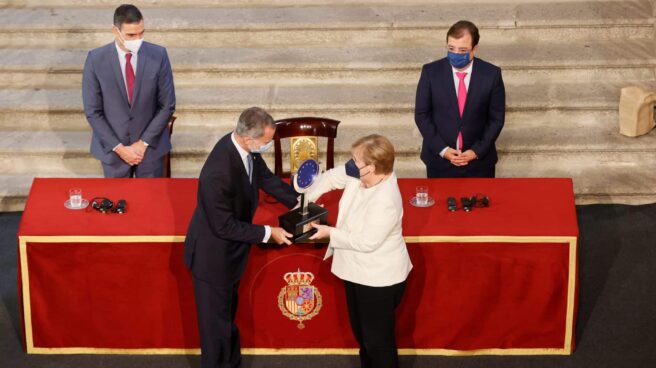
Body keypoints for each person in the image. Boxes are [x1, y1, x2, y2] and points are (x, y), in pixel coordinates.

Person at [184, 107, 298, 368]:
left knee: (226, 321)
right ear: (250, 139)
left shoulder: (243, 149)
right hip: (212, 259)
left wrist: (300, 204)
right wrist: (269, 233)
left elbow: (266, 179)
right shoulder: (218, 172)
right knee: (215, 332)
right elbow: (224, 227)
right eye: (267, 142)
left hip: (230, 255)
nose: (269, 146)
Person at [307, 134, 412, 368]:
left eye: (355, 160)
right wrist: (303, 205)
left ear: (372, 167)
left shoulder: (386, 199)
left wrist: (329, 233)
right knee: (363, 337)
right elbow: (330, 178)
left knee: (378, 342)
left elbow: (367, 242)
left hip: (378, 279)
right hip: (356, 272)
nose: (350, 164)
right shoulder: (361, 174)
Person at [82, 4, 176, 178]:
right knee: (117, 202)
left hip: (150, 151)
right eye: (131, 35)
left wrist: (142, 143)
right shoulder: (96, 60)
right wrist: (120, 148)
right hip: (113, 152)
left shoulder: (159, 55)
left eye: (141, 33)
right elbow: (93, 112)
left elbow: (167, 105)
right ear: (115, 31)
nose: (137, 39)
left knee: (150, 201)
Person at [415, 20, 505, 178]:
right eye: (451, 48)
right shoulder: (430, 72)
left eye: (462, 50)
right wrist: (442, 150)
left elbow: (496, 119)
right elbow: (422, 115)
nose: (455, 54)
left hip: (479, 163)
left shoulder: (492, 75)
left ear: (474, 49)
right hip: (439, 161)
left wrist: (477, 151)